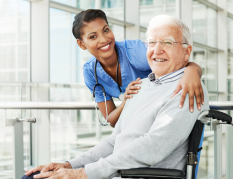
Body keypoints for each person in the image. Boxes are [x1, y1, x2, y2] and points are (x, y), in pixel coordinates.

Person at [17, 15, 210, 179]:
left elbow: (153, 146)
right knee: (30, 178)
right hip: (115, 176)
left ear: (186, 52)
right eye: (151, 43)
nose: (157, 50)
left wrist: (86, 173)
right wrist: (70, 165)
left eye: (167, 42)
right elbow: (113, 141)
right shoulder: (140, 86)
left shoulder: (188, 89)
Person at [71, 9, 204, 127]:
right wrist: (127, 101)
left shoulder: (135, 52)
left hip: (165, 115)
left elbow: (179, 61)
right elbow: (111, 120)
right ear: (81, 44)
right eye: (93, 36)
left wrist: (192, 70)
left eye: (106, 30)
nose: (104, 39)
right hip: (136, 123)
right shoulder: (90, 71)